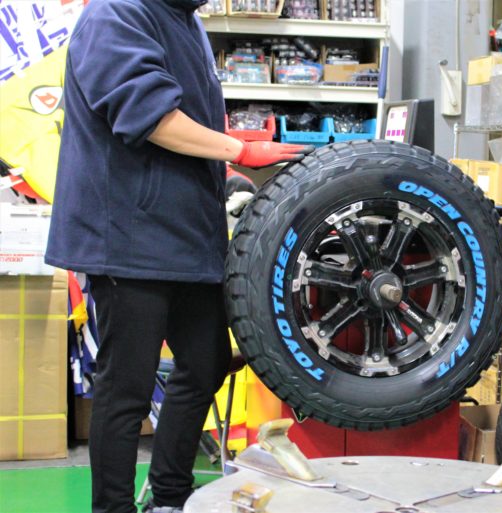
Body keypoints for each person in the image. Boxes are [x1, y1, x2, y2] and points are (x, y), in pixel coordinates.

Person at [44, 1, 313, 512]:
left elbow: (190, 127)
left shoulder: (185, 20)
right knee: (127, 385)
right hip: (126, 237)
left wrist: (225, 177)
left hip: (185, 237)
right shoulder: (116, 13)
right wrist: (239, 150)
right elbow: (149, 117)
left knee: (207, 361)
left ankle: (170, 495)